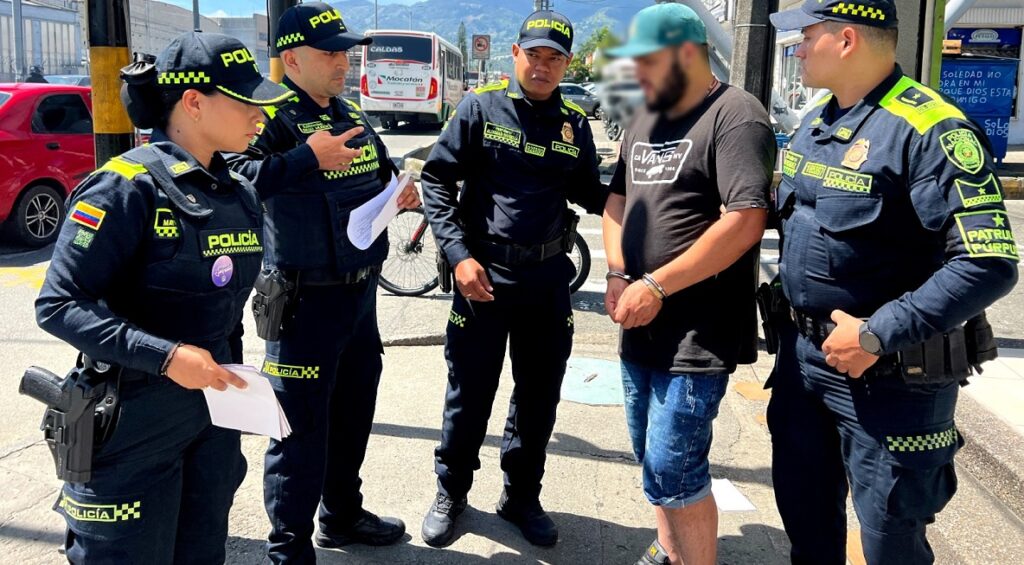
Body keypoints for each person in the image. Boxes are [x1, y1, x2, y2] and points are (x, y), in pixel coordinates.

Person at [767, 1, 1019, 563]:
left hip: (891, 380)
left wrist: (876, 333)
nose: (798, 49)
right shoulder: (818, 120)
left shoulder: (933, 128)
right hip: (804, 363)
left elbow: (988, 262)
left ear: (848, 39)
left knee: (890, 543)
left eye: (807, 37)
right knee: (806, 523)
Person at [33, 32, 299, 563]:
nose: (260, 115)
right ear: (194, 102)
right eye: (246, 101)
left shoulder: (238, 191)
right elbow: (58, 304)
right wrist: (167, 356)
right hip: (133, 418)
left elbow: (226, 313)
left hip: (210, 416)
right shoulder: (126, 187)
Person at [233, 3, 419, 562]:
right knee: (298, 428)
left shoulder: (348, 110)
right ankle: (289, 548)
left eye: (346, 51)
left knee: (354, 408)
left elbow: (378, 172)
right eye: (330, 52)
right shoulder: (267, 115)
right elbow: (239, 181)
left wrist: (399, 193)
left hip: (359, 295)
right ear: (291, 57)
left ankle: (341, 515)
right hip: (303, 300)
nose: (343, 61)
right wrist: (304, 158)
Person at [419, 9, 608, 549]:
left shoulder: (574, 123)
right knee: (469, 391)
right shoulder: (480, 109)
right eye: (535, 55)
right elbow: (436, 181)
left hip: (548, 279)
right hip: (483, 276)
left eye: (555, 58)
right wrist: (457, 256)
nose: (543, 66)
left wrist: (652, 192)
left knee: (539, 394)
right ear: (516, 55)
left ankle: (521, 495)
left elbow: (591, 193)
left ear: (566, 64)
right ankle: (452, 491)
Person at [601, 4, 775, 565]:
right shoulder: (643, 116)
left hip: (697, 337)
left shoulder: (736, 115)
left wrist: (656, 284)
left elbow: (745, 219)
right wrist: (617, 272)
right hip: (639, 325)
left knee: (675, 469)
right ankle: (671, 546)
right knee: (652, 460)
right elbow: (618, 201)